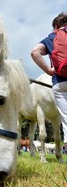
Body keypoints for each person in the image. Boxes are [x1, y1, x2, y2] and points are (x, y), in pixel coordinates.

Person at [31, 12, 67, 145]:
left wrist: (49, 70)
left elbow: (34, 52)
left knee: (66, 119)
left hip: (61, 82)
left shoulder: (52, 37)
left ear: (56, 25)